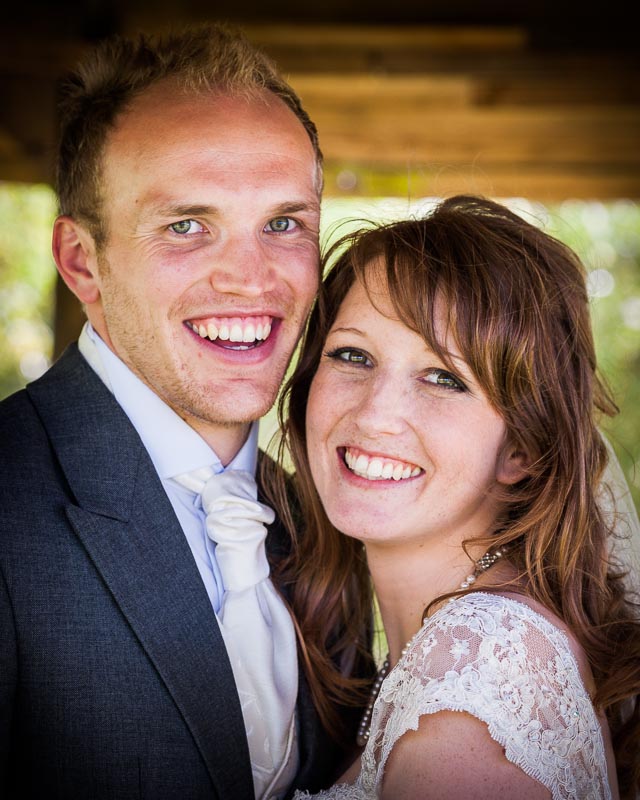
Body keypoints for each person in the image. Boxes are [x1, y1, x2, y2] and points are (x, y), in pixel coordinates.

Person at [0, 23, 373, 800]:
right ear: (82, 261)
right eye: (186, 226)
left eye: (283, 223)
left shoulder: (327, 517)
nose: (251, 280)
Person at [269, 195, 640, 799]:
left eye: (444, 378)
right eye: (352, 355)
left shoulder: (474, 689)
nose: (376, 414)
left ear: (521, 446)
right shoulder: (458, 644)